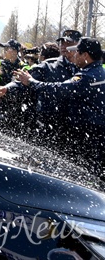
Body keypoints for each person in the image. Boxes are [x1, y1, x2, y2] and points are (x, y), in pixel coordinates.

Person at [13, 37, 105, 177]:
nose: (73, 55)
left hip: (88, 140)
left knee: (84, 180)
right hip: (95, 137)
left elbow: (58, 89)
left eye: (77, 52)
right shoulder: (99, 72)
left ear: (85, 55)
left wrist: (31, 82)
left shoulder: (87, 77)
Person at [0, 30, 80, 139]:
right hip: (49, 125)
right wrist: (6, 89)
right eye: (62, 42)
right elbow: (23, 81)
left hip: (76, 127)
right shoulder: (49, 66)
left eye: (68, 43)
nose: (64, 46)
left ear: (78, 45)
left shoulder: (86, 68)